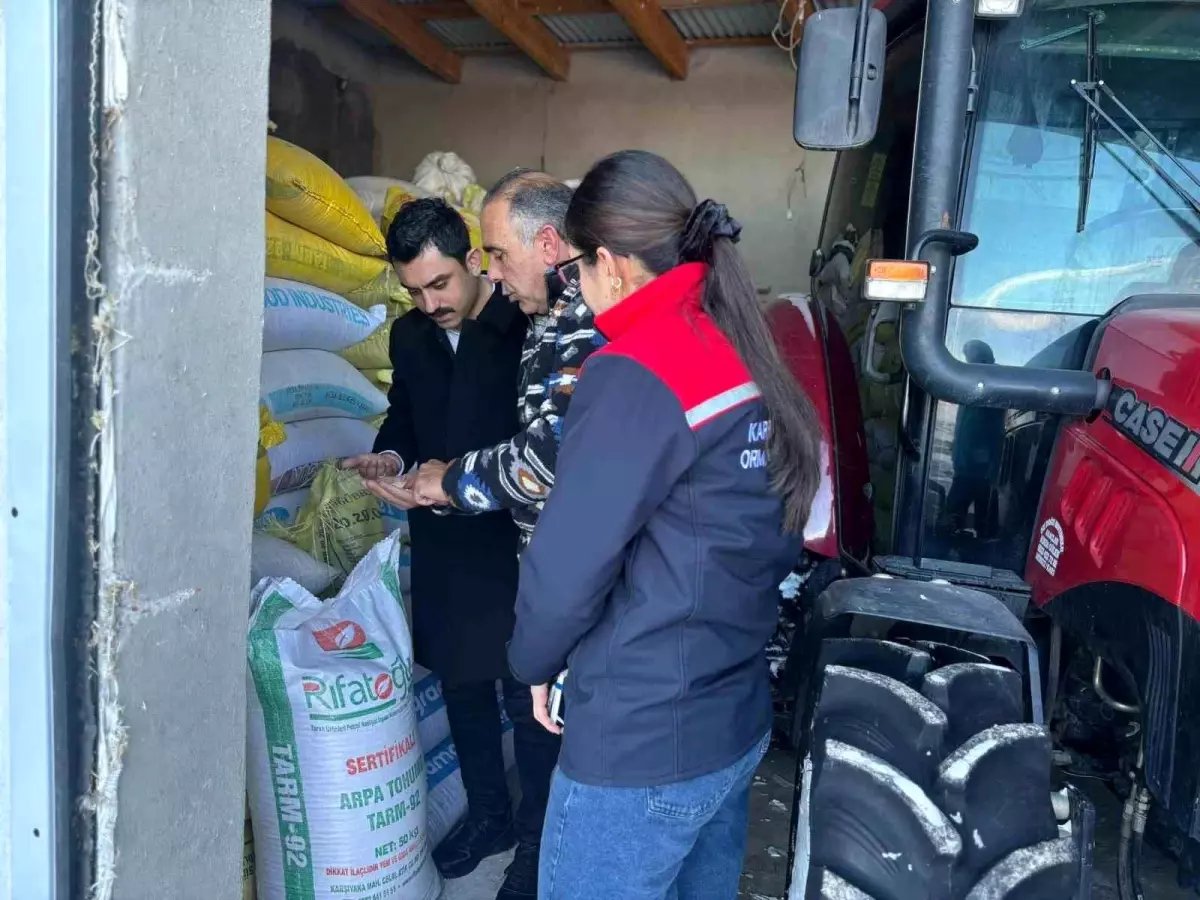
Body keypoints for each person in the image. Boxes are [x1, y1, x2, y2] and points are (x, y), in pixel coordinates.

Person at [506, 151, 823, 900]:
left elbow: (568, 566)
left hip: (640, 742)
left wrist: (532, 663)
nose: (576, 289)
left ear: (611, 265)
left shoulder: (636, 370)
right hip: (731, 723)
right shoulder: (742, 347)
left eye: (575, 270)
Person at [340, 198, 555, 900]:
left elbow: (545, 446)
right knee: (462, 683)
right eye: (415, 291)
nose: (430, 304)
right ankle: (490, 817)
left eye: (441, 284)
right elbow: (405, 413)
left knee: (527, 697)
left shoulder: (526, 324)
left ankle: (537, 843)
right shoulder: (411, 337)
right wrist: (390, 457)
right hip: (442, 540)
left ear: (474, 262)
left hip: (512, 542)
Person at [408, 170, 604, 551]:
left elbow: (553, 455)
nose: (493, 273)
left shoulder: (586, 314)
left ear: (547, 244)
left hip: (580, 563)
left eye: (499, 254)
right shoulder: (547, 313)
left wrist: (451, 481)